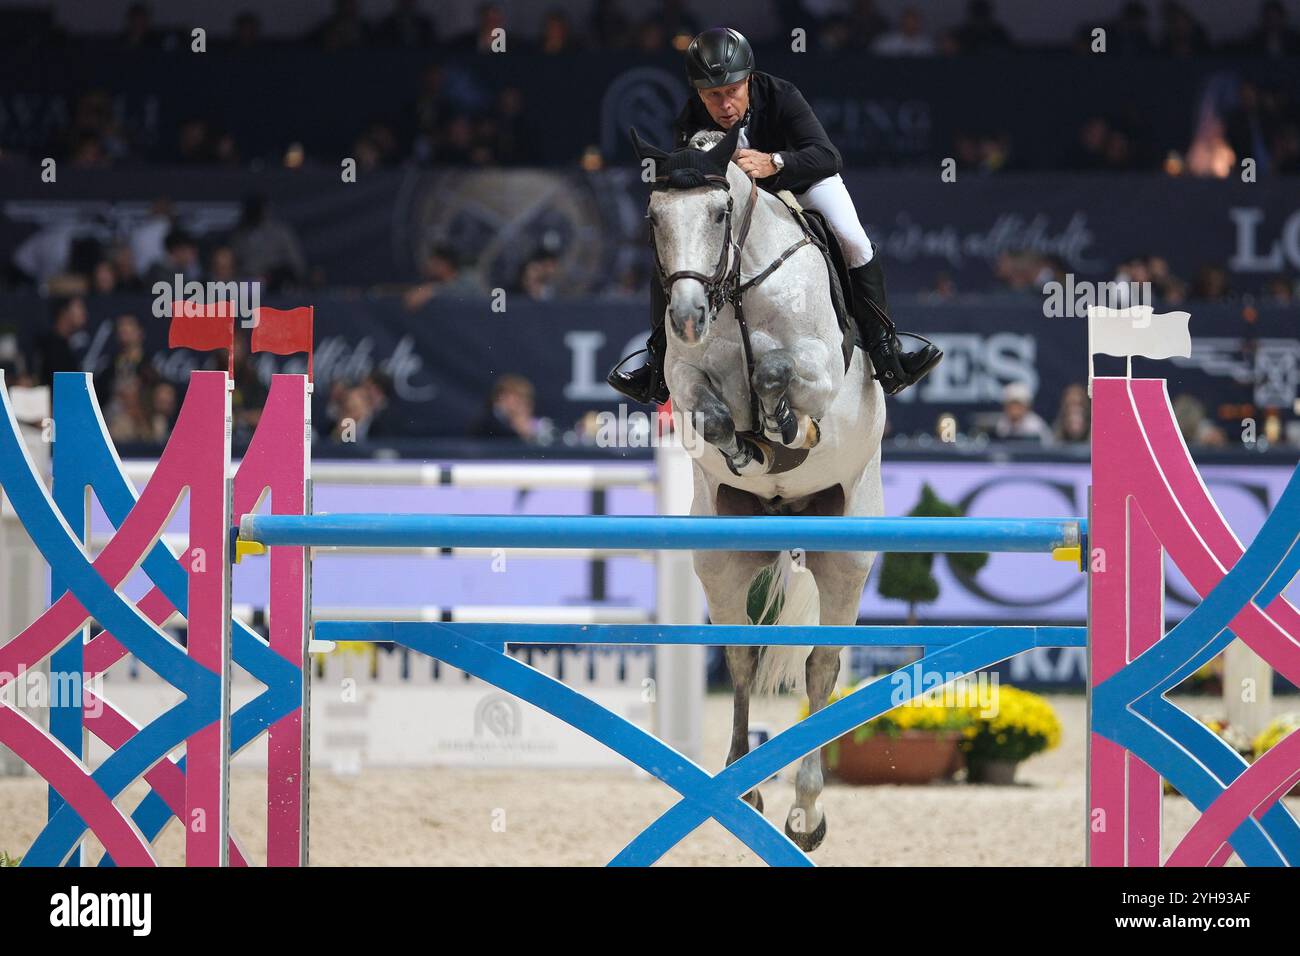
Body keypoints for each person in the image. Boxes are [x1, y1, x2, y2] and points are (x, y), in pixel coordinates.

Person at [607, 27, 941, 406]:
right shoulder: (690, 118)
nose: (724, 104)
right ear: (699, 92)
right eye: (712, 95)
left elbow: (828, 156)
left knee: (853, 239)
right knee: (681, 252)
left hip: (802, 180)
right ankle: (659, 358)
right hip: (742, 198)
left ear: (748, 79)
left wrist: (774, 162)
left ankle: (886, 349)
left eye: (732, 91)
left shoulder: (782, 95)